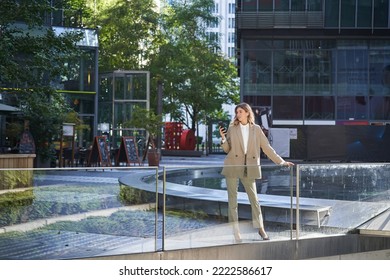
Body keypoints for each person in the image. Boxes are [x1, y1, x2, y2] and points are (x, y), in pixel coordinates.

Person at [219, 102, 294, 242]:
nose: (237, 114)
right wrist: (223, 139)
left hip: (249, 168)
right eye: (237, 112)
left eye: (240, 111)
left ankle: (261, 229)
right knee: (232, 202)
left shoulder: (257, 129)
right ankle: (236, 233)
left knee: (254, 200)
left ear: (247, 113)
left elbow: (267, 148)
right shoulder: (232, 128)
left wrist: (281, 162)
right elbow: (227, 149)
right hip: (232, 166)